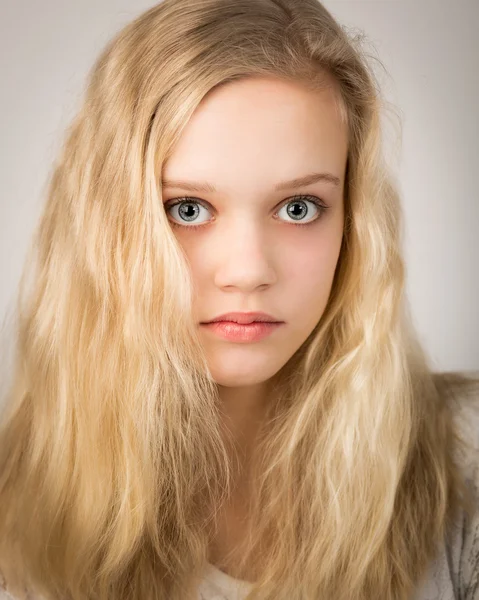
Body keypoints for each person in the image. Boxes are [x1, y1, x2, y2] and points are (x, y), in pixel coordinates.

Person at [0, 0, 478, 599]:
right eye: (188, 209)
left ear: (354, 226)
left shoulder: (467, 461)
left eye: (299, 207)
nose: (248, 271)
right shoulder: (14, 518)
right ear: (106, 227)